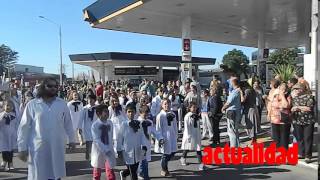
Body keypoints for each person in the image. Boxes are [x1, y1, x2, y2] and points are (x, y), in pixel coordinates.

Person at [17, 77, 76, 180]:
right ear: (43, 87)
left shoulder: (61, 104)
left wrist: (72, 140)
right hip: (38, 148)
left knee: (55, 174)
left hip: (57, 146)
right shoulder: (32, 104)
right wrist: (22, 148)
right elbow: (24, 126)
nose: (53, 88)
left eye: (55, 86)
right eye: (50, 86)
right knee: (39, 175)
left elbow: (68, 123)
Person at [119, 104, 147, 180]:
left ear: (135, 112)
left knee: (133, 169)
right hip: (128, 152)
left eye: (132, 112)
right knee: (133, 173)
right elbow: (120, 138)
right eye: (129, 112)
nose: (131, 113)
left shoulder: (139, 124)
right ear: (126, 113)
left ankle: (123, 173)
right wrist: (119, 150)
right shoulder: (124, 125)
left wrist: (144, 145)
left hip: (137, 151)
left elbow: (142, 136)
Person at [137, 105, 164, 180]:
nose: (145, 115)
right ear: (140, 113)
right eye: (143, 113)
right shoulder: (137, 122)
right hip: (140, 145)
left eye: (147, 113)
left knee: (145, 161)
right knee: (143, 161)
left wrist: (160, 138)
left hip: (147, 144)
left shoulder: (150, 122)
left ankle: (140, 173)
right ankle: (146, 176)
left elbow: (155, 131)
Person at [91, 104, 116, 180]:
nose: (107, 113)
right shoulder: (95, 125)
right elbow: (96, 139)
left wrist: (112, 147)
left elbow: (111, 136)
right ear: (99, 113)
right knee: (97, 171)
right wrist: (105, 149)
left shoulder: (110, 123)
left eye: (108, 111)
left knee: (110, 170)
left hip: (109, 149)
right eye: (105, 111)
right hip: (99, 150)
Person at [291, 83, 315, 163]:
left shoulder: (310, 97)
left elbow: (309, 108)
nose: (296, 90)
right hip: (297, 120)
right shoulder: (295, 98)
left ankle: (308, 155)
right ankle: (301, 153)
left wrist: (297, 107)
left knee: (307, 138)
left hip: (308, 120)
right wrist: (293, 109)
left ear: (303, 89)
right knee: (299, 138)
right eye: (295, 89)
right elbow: (292, 108)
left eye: (298, 89)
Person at [154, 99, 178, 177]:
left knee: (173, 152)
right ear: (162, 105)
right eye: (165, 104)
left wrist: (176, 135)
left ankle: (164, 162)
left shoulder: (172, 114)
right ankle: (164, 170)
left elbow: (175, 125)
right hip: (164, 137)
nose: (167, 105)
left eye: (168, 104)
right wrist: (160, 138)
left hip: (172, 135)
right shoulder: (160, 115)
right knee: (165, 153)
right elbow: (158, 128)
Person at [180, 102, 205, 170]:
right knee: (187, 147)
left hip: (196, 134)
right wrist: (188, 136)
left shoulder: (196, 115)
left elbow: (198, 126)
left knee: (198, 148)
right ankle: (183, 158)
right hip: (190, 134)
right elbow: (187, 127)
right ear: (189, 108)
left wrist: (200, 133)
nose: (194, 109)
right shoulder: (188, 116)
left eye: (195, 107)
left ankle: (201, 164)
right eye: (193, 107)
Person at [268, 83, 292, 149]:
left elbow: (286, 105)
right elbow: (270, 104)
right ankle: (278, 149)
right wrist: (268, 114)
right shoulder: (275, 95)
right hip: (275, 118)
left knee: (284, 136)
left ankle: (284, 151)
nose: (283, 90)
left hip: (284, 119)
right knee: (276, 137)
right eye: (281, 89)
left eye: (284, 89)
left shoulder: (288, 96)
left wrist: (282, 96)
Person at [221, 78, 242, 147]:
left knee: (231, 131)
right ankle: (237, 146)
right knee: (235, 130)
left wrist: (223, 108)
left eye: (230, 83)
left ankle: (233, 147)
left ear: (233, 83)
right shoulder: (238, 91)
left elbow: (228, 103)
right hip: (236, 112)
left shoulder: (235, 92)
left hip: (232, 112)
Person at [0, 100, 18, 171]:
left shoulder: (14, 115)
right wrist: (3, 117)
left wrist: (17, 134)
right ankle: (4, 162)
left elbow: (17, 124)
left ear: (13, 107)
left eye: (10, 105)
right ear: (3, 106)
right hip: (3, 135)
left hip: (12, 135)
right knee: (4, 149)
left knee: (10, 150)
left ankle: (10, 163)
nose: (8, 107)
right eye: (6, 105)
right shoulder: (1, 114)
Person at [79, 94, 98, 160]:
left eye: (91, 99)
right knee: (88, 142)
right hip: (87, 127)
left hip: (95, 127)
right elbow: (81, 118)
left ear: (94, 100)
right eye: (89, 99)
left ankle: (94, 156)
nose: (90, 100)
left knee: (95, 142)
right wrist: (80, 127)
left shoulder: (97, 108)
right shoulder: (85, 108)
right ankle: (87, 153)